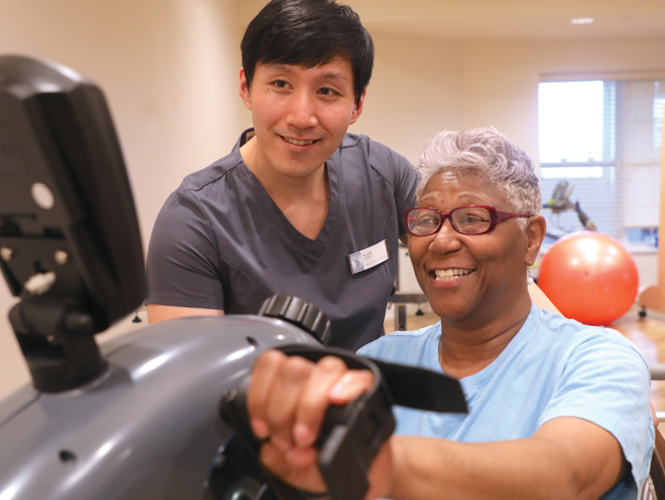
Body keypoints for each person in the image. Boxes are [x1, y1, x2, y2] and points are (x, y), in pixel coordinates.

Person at [245, 127, 654, 499]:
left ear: (531, 240)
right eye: (426, 220)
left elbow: (565, 475)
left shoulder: (599, 359)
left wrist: (382, 463)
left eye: (472, 219)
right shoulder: (377, 363)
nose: (440, 242)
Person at [145, 0, 419, 351]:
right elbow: (190, 380)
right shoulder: (192, 220)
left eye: (326, 91)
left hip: (371, 397)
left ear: (357, 104)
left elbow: (457, 253)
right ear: (246, 88)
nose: (302, 117)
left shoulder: (382, 173)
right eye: (280, 83)